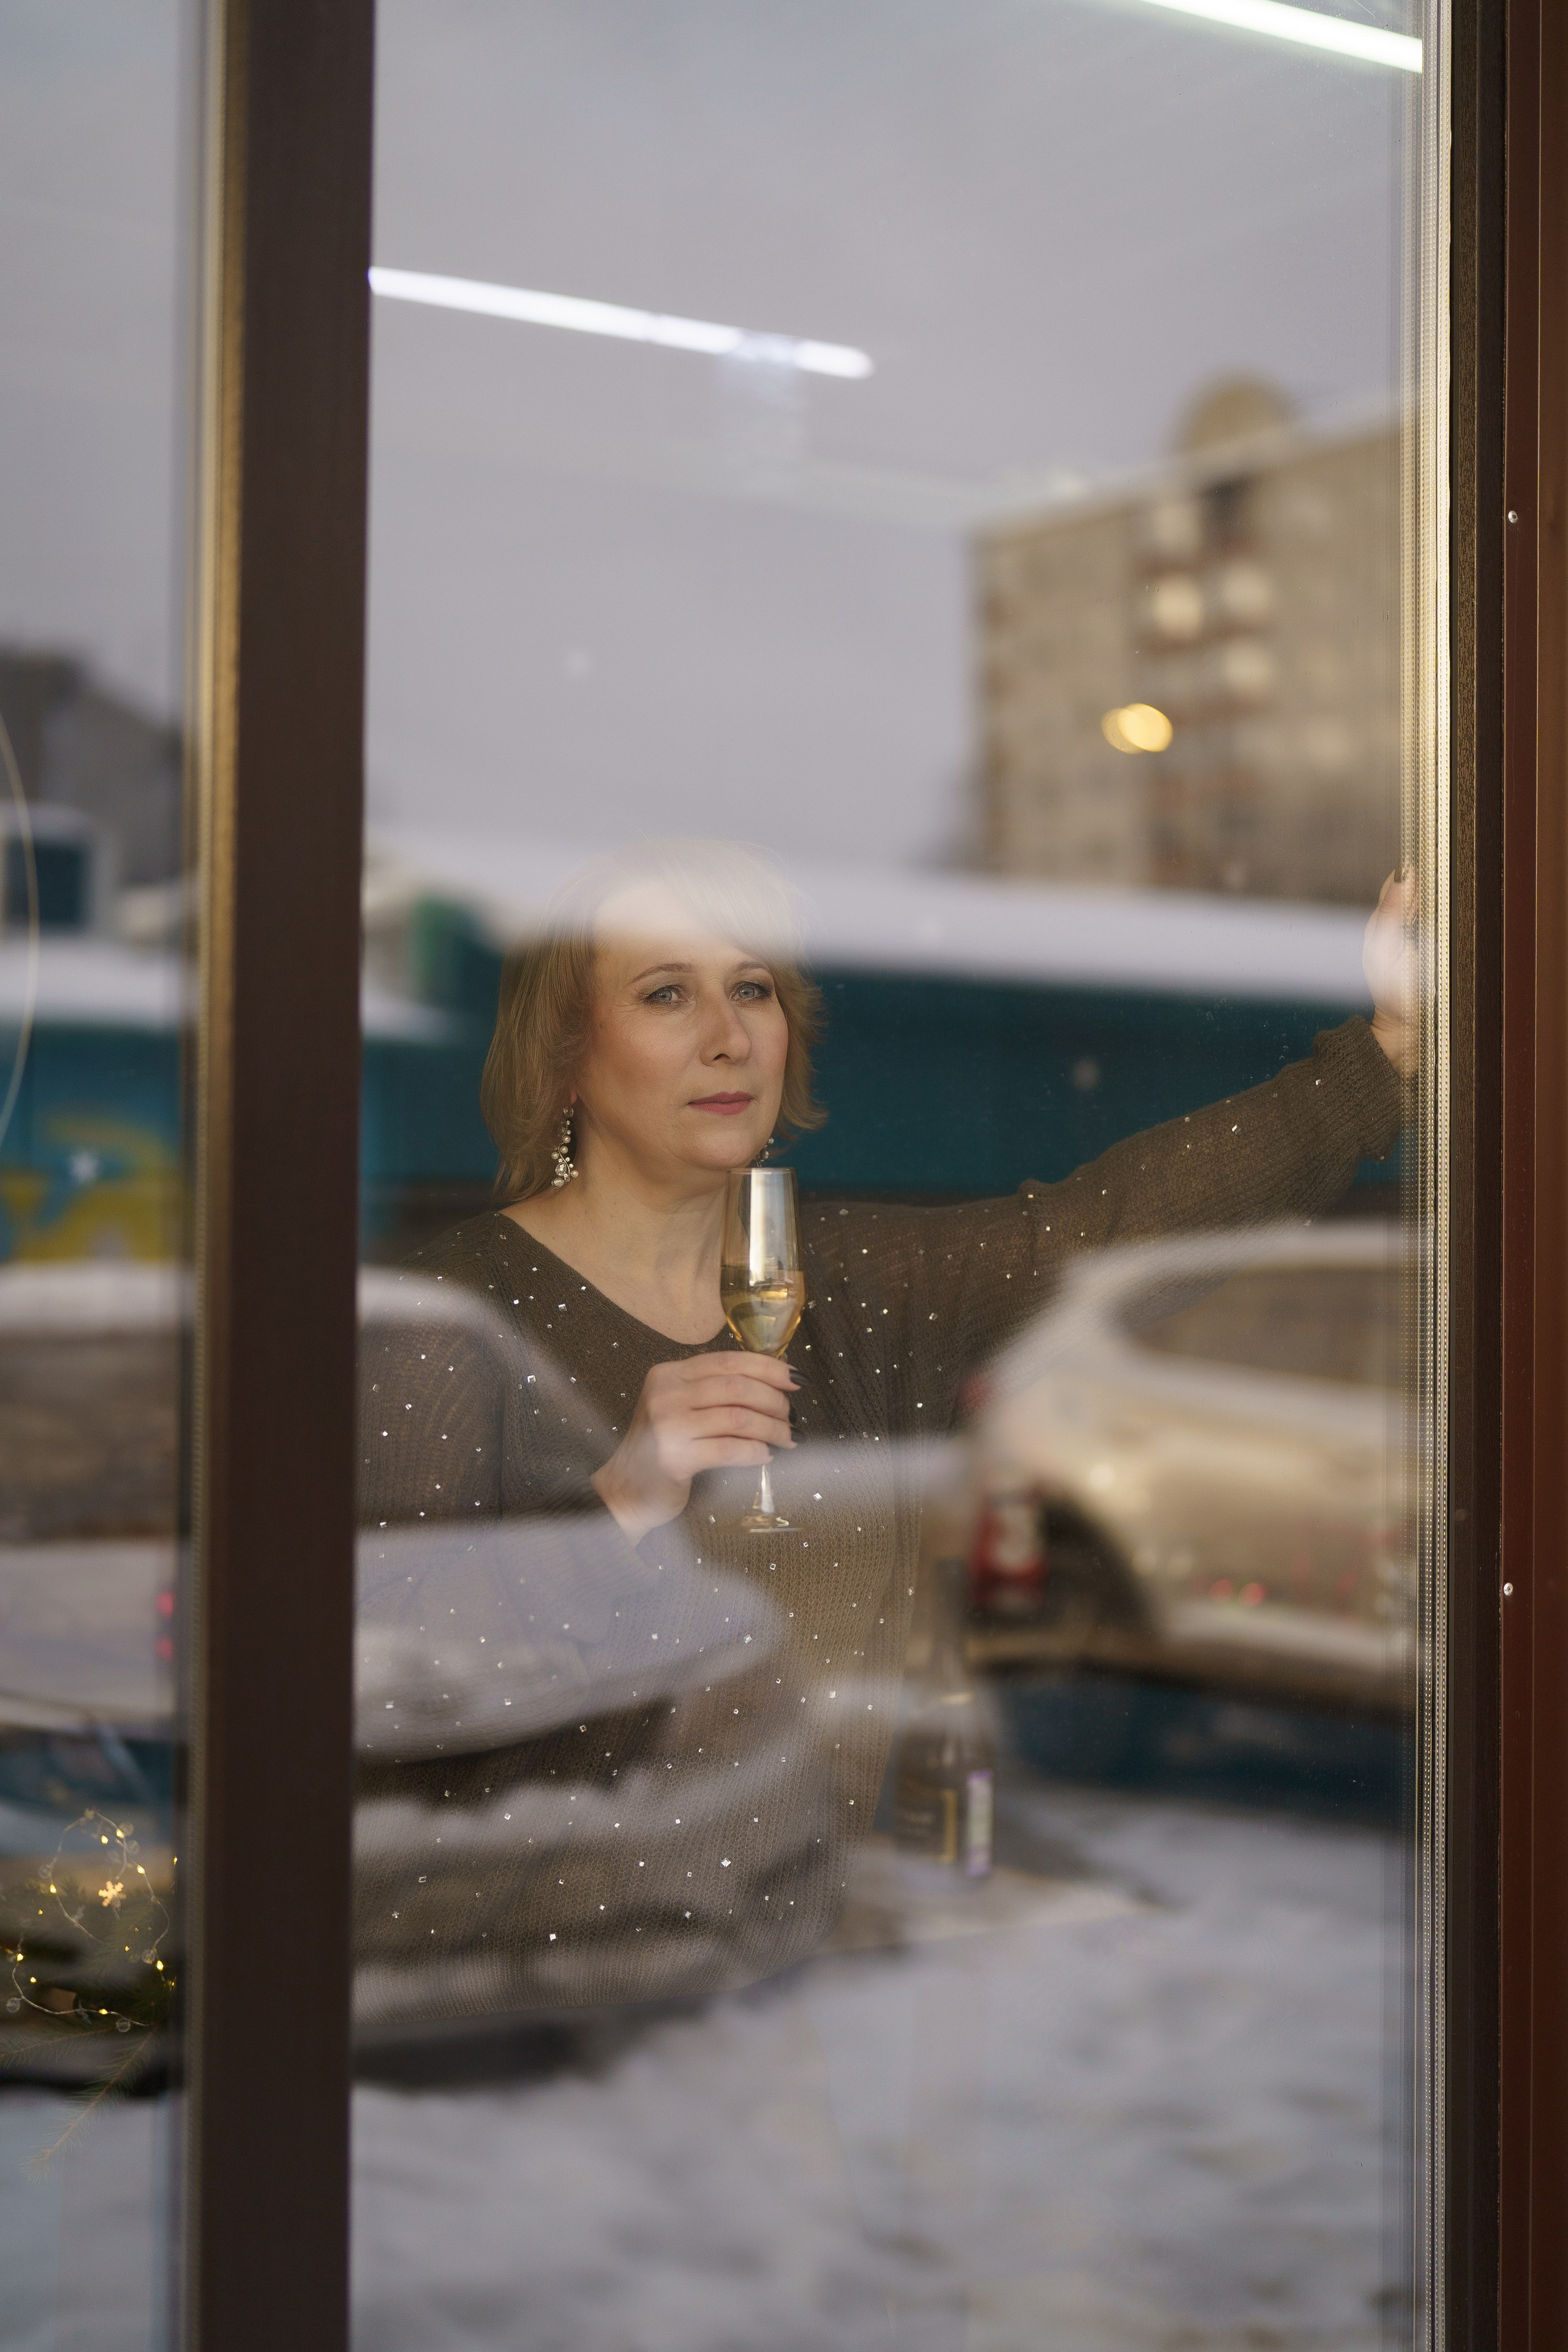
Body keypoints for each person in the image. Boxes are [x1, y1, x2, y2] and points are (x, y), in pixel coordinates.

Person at [354, 839, 1412, 2023]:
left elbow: (1108, 1224)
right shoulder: (454, 1317)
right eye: (666, 995)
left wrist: (1384, 1057)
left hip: (846, 1938)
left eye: (751, 989)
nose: (728, 1035)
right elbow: (386, 1664)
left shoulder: (832, 1277)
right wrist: (621, 1501)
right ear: (564, 1058)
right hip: (597, 1964)